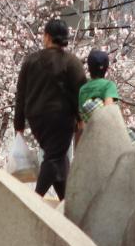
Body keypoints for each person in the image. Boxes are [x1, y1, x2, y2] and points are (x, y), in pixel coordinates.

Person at [12, 18, 85, 200]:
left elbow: (20, 94)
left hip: (36, 119)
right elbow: (81, 92)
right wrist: (80, 117)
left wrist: (19, 125)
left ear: (47, 36)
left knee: (58, 158)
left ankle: (66, 203)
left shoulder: (31, 61)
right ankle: (35, 200)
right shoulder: (71, 62)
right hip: (61, 118)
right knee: (54, 158)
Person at [78, 48, 119, 128]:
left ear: (89, 68)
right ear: (107, 69)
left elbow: (80, 121)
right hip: (103, 132)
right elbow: (109, 110)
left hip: (88, 132)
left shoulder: (82, 89)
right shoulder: (109, 85)